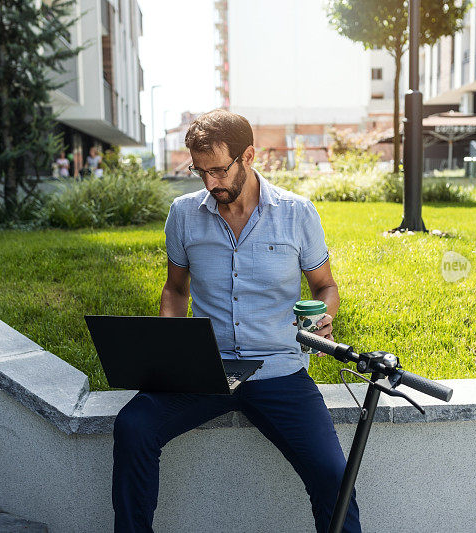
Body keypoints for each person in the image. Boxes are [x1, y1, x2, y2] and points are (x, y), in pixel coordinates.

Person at [112, 109, 362, 533]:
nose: (210, 183)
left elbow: (325, 286)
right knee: (133, 426)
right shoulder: (183, 214)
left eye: (218, 170)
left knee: (334, 478)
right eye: (199, 171)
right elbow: (175, 289)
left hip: (280, 370)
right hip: (203, 368)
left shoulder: (297, 213)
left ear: (248, 156)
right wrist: (169, 343)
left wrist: (325, 318)